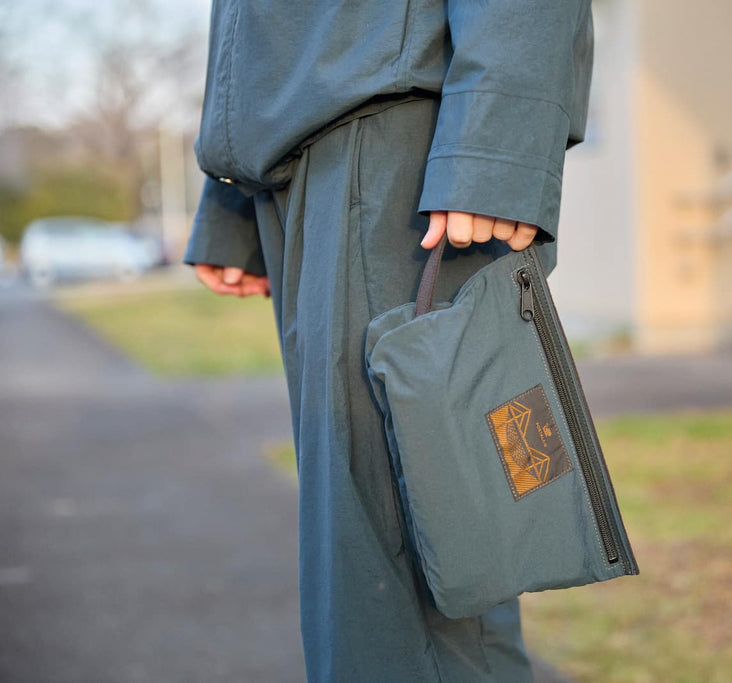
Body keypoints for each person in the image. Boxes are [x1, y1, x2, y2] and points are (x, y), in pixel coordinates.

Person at [183, 2, 594, 680]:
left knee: (410, 579)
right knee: (360, 569)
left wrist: (492, 140)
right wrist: (230, 191)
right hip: (303, 148)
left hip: (396, 145)